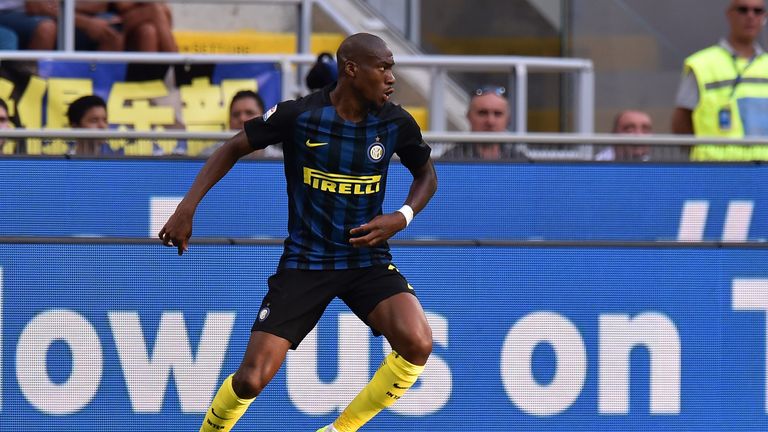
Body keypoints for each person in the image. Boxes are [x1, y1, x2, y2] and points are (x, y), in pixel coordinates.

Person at [159, 33, 437, 432]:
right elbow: (233, 146)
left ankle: (340, 430)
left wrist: (403, 215)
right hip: (307, 261)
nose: (391, 77)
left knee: (418, 342)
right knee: (251, 379)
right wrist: (187, 207)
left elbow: (427, 174)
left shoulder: (394, 122)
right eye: (384, 67)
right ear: (352, 69)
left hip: (366, 259)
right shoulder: (301, 115)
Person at [671, 0, 768, 161]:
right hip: (716, 172)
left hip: (764, 173)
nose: (751, 16)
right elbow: (681, 121)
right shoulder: (702, 64)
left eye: (757, 11)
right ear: (729, 14)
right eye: (743, 10)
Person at [443, 85, 516, 160]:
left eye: (497, 114)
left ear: (508, 119)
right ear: (469, 116)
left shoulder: (520, 161)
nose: (490, 121)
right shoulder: (450, 160)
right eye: (483, 113)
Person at [200, 90, 266, 157]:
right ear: (229, 121)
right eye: (236, 115)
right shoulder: (207, 157)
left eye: (249, 113)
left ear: (264, 118)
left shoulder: (276, 158)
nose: (242, 119)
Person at [111, 2, 177, 52]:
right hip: (114, 18)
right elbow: (122, 5)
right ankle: (177, 62)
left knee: (148, 31)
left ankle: (153, 69)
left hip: (139, 17)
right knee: (155, 10)